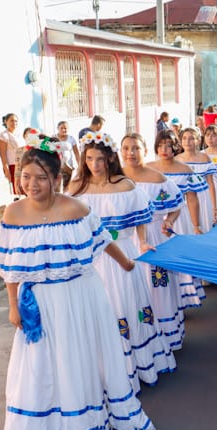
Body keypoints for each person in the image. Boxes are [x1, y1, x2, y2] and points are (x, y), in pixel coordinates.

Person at [0, 135, 155, 430]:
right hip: (38, 302)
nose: (32, 185)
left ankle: (85, 426)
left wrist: (127, 263)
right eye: (26, 177)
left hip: (80, 296)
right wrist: (13, 307)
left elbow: (103, 240)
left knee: (76, 360)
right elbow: (9, 266)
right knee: (38, 368)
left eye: (41, 178)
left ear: (56, 179)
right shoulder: (13, 212)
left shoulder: (76, 208)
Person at [69, 132, 176, 387]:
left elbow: (140, 220)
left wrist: (142, 243)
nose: (94, 165)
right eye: (90, 159)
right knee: (99, 310)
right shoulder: (76, 188)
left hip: (123, 254)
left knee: (127, 306)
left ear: (109, 159)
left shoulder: (126, 185)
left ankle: (134, 365)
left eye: (100, 159)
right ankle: (103, 369)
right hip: (90, 259)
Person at [120, 133, 185, 350]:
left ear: (145, 151)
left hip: (154, 238)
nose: (130, 153)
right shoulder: (115, 179)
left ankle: (167, 336)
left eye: (135, 148)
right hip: (124, 242)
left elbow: (177, 205)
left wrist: (169, 221)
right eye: (126, 148)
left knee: (158, 286)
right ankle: (139, 340)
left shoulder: (158, 178)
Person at [147, 130, 205, 309]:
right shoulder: (148, 168)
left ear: (175, 147)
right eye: (160, 145)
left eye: (168, 145)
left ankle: (180, 300)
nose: (164, 149)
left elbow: (192, 199)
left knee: (178, 260)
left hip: (179, 219)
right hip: (154, 223)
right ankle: (160, 302)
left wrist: (196, 226)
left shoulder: (185, 169)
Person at [176, 128, 217, 230]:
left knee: (203, 228)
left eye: (191, 138)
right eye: (184, 138)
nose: (187, 142)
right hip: (184, 201)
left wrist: (214, 207)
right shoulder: (176, 160)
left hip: (202, 199)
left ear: (198, 140)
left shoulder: (204, 158)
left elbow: (211, 183)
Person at [0, 113, 22, 198]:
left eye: (16, 121)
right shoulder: (3, 136)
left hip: (22, 165)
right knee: (17, 189)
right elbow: (2, 154)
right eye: (11, 120)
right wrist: (6, 169)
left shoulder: (19, 135)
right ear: (6, 121)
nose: (14, 123)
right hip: (12, 165)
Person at [55, 120, 80, 191]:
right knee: (57, 186)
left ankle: (65, 200)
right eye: (61, 128)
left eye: (65, 128)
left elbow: (76, 153)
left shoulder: (71, 139)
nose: (63, 130)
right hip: (57, 166)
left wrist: (80, 166)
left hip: (68, 167)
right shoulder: (53, 138)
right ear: (58, 128)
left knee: (67, 186)